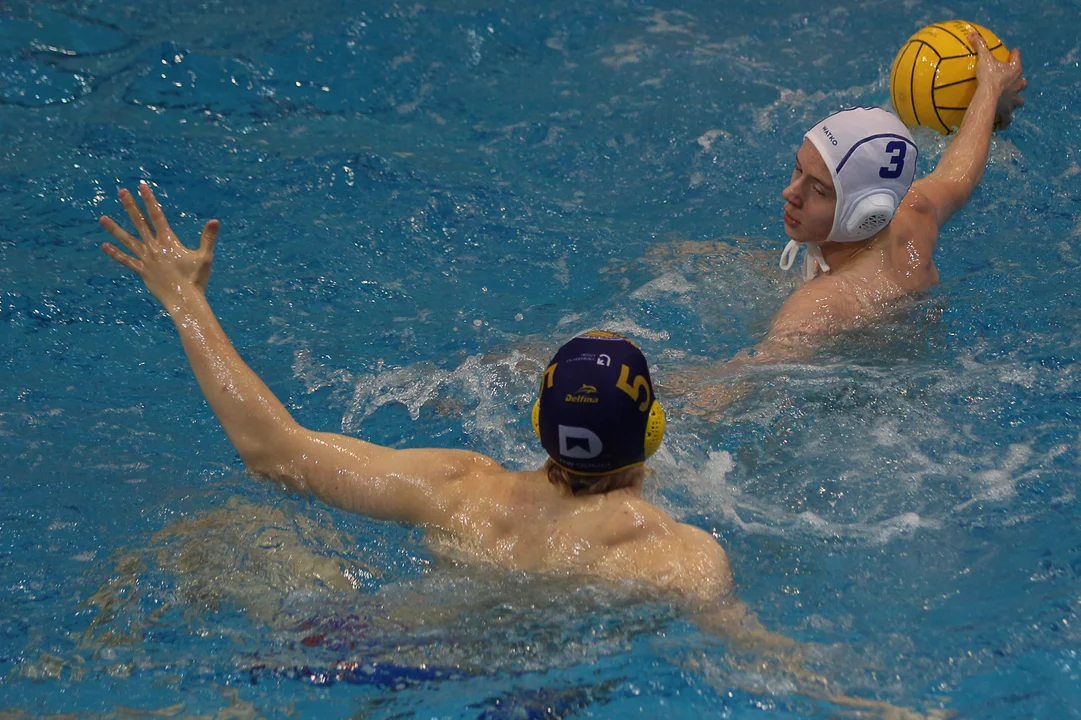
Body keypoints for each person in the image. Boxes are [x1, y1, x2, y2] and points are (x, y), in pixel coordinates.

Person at [746, 32, 1027, 364]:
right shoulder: (912, 216)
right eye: (798, 169)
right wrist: (990, 89)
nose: (790, 193)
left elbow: (742, 380)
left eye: (819, 190)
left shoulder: (817, 306)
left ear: (865, 213)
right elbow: (959, 172)